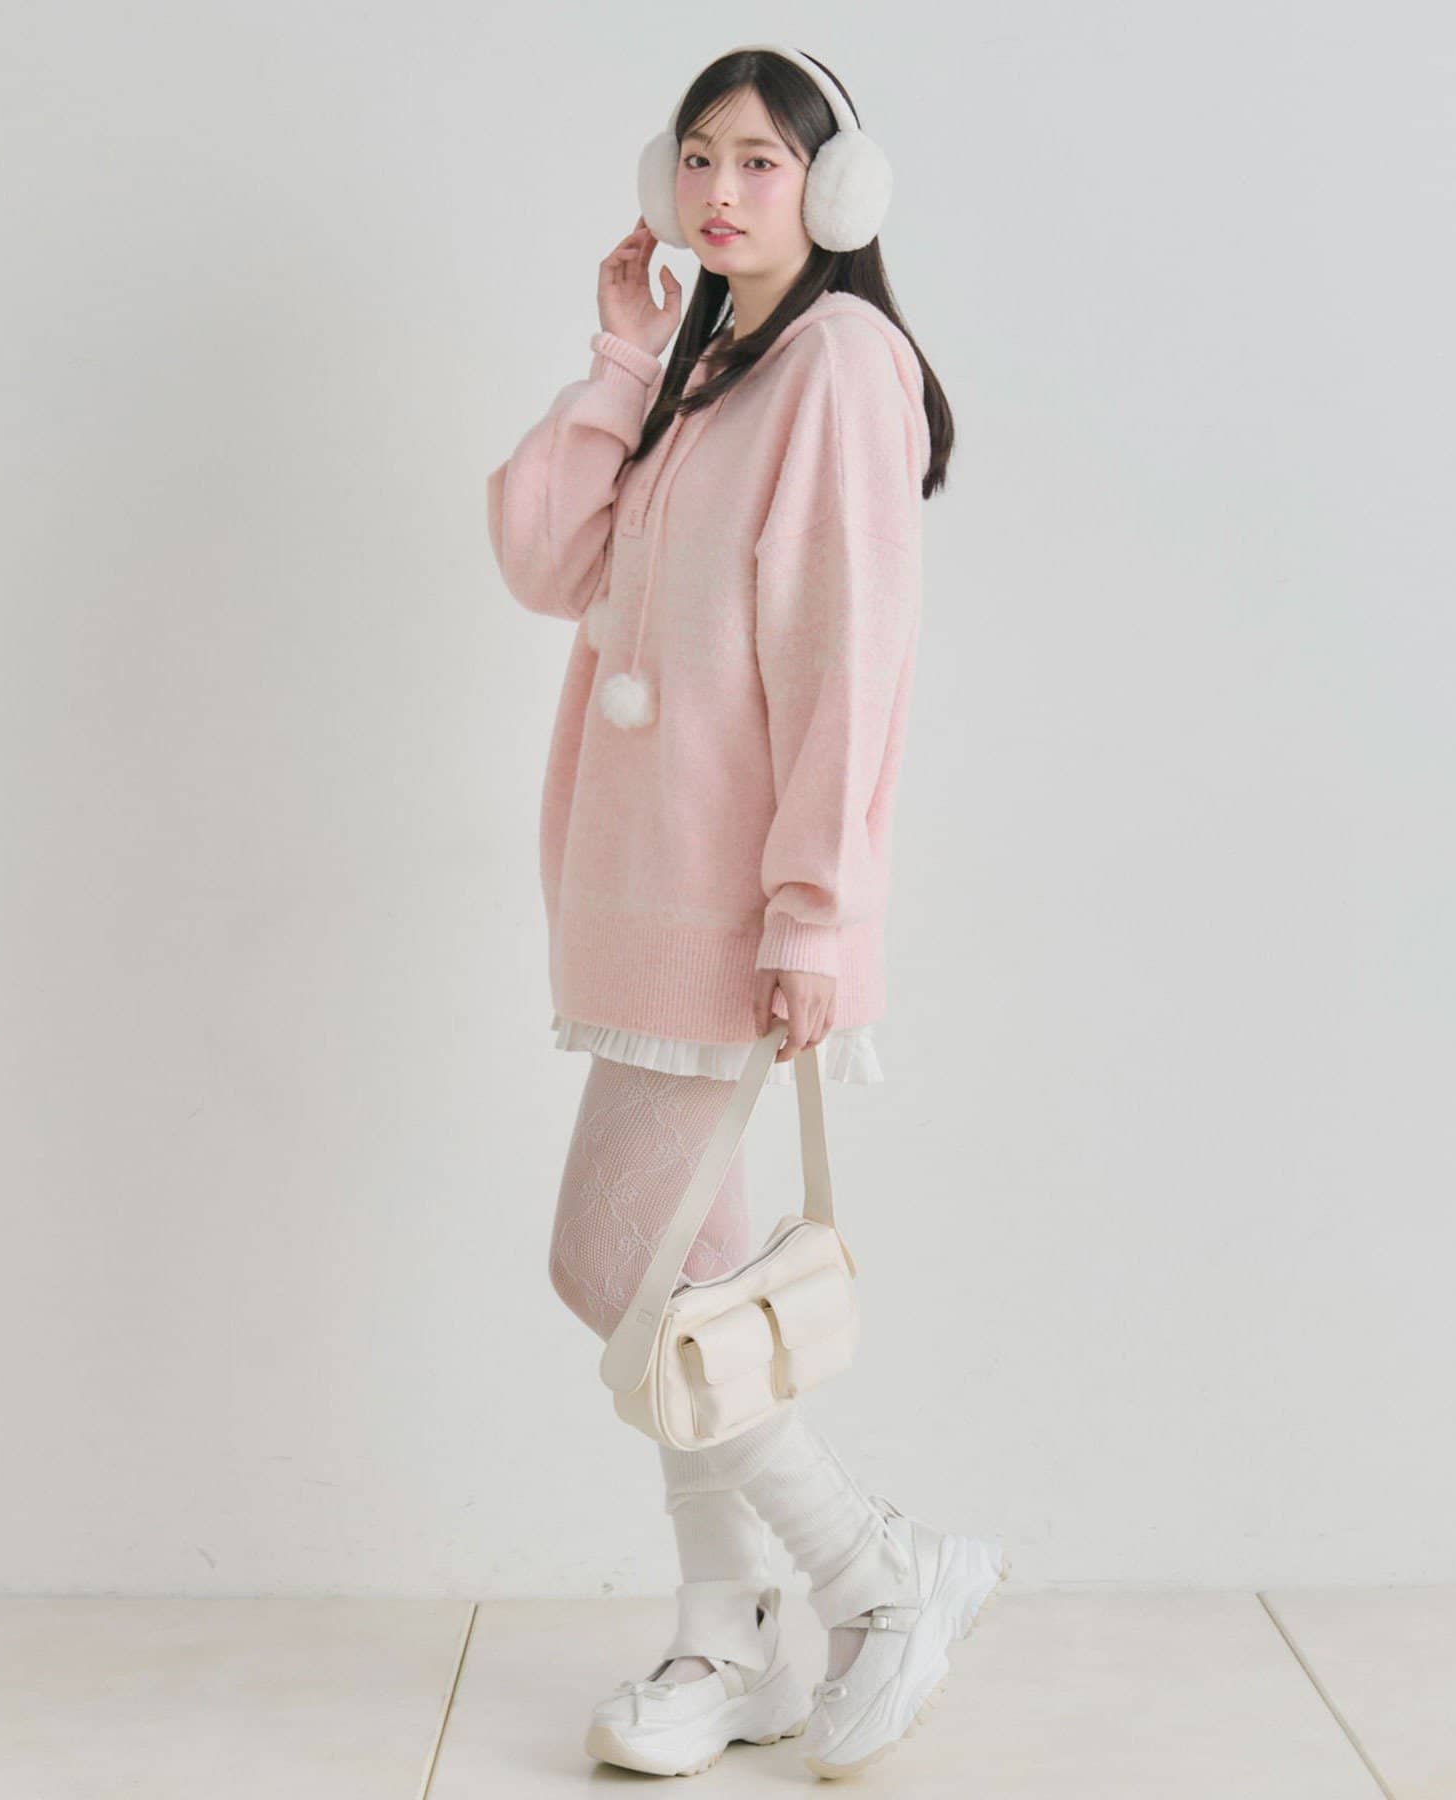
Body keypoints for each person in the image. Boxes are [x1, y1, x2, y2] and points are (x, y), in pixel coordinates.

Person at [485, 44, 1007, 1781]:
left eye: (762, 162)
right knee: (688, 1285)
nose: (720, 192)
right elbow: (541, 559)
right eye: (698, 157)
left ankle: (875, 1577)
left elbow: (850, 658)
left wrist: (812, 916)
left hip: (728, 910)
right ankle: (728, 1642)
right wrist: (625, 356)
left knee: (614, 1263)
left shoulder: (844, 362)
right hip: (637, 899)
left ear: (836, 189)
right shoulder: (706, 369)